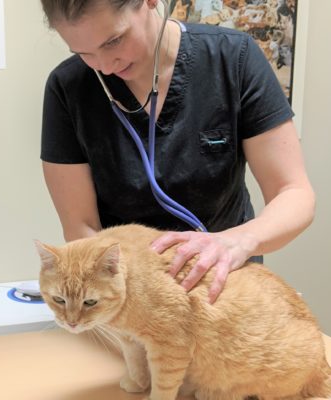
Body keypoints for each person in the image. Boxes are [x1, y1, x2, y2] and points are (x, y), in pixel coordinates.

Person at [39, 0, 315, 303]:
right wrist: (136, 300)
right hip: (132, 300)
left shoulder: (232, 59)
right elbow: (81, 227)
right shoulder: (67, 87)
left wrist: (236, 242)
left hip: (225, 290)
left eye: (114, 41)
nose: (105, 66)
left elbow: (294, 193)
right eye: (83, 53)